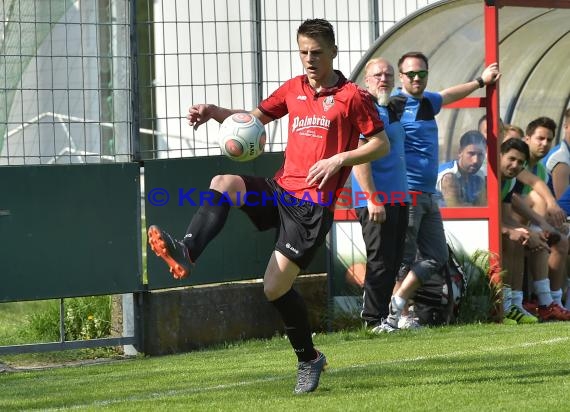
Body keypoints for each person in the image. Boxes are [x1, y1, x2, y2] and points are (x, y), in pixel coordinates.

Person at [147, 19, 390, 394]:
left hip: (312, 207)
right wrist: (215, 112)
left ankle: (309, 358)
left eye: (317, 53)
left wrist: (338, 159)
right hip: (280, 191)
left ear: (334, 53)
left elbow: (380, 143)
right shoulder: (293, 89)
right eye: (303, 52)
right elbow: (253, 120)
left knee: (273, 288)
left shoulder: (352, 96)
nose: (309, 60)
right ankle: (187, 250)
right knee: (223, 183)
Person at [376, 51, 501, 332]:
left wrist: (481, 81)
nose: (417, 78)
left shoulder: (427, 101)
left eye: (422, 73)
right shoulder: (393, 104)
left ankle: (397, 303)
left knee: (436, 256)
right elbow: (372, 137)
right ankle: (395, 318)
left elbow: (447, 95)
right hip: (406, 194)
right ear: (401, 76)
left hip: (428, 194)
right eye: (411, 74)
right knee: (404, 260)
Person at [350, 58, 411, 331]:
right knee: (379, 260)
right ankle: (372, 320)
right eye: (377, 75)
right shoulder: (364, 108)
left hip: (399, 197)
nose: (383, 79)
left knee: (394, 260)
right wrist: (372, 198)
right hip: (374, 199)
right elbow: (360, 158)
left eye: (387, 74)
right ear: (366, 80)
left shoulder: (392, 107)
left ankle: (385, 320)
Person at [499, 137, 570, 322]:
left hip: (510, 224)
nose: (515, 165)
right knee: (516, 238)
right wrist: (514, 231)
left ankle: (542, 303)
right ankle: (507, 304)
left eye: (520, 162)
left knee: (531, 237)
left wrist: (532, 232)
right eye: (511, 159)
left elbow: (505, 216)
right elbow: (488, 217)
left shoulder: (510, 180)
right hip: (478, 231)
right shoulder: (488, 176)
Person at [542, 107, 570, 309]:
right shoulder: (562, 159)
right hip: (552, 220)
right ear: (567, 126)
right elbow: (563, 205)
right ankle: (557, 301)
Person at [436, 130, 486, 207]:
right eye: (471, 154)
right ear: (460, 152)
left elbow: (483, 207)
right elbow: (456, 210)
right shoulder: (448, 176)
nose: (476, 160)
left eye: (480, 155)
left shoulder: (479, 176)